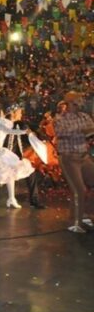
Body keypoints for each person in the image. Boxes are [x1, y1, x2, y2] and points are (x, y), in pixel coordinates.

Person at [53, 91, 94, 233]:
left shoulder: (84, 116)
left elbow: (90, 129)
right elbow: (61, 132)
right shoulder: (60, 118)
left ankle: (85, 213)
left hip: (83, 156)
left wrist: (83, 131)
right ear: (70, 102)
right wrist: (82, 131)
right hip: (68, 158)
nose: (81, 101)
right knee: (79, 190)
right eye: (78, 99)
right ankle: (74, 223)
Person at [0, 105, 35, 209]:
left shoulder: (6, 123)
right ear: (13, 113)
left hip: (0, 150)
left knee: (9, 173)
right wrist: (25, 132)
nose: (21, 115)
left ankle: (11, 198)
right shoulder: (1, 122)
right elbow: (9, 131)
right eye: (19, 112)